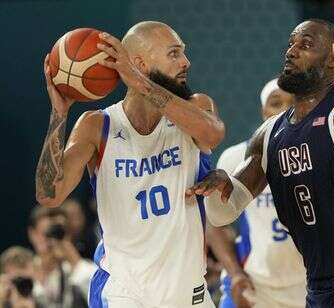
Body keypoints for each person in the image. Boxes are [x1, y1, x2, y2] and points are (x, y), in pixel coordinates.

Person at [188, 19, 334, 307]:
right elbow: (222, 214)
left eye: (304, 45)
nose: (291, 51)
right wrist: (221, 185)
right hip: (318, 284)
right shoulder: (268, 135)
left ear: (333, 62)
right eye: (291, 44)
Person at [35, 21, 225, 307]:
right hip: (122, 292)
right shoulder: (96, 125)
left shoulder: (196, 107)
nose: (186, 62)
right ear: (139, 63)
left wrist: (139, 82)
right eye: (174, 54)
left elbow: (213, 133)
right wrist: (58, 116)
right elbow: (50, 195)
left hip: (188, 292)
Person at [209, 78, 306, 308]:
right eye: (276, 103)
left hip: (310, 284)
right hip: (255, 285)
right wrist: (235, 273)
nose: (285, 109)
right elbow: (214, 224)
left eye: (293, 102)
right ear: (264, 112)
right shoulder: (236, 157)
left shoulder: (318, 156)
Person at [27, 207, 95, 308]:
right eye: (48, 233)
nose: (53, 240)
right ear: (33, 234)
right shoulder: (25, 272)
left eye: (59, 233)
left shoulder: (84, 269)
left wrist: (75, 263)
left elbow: (101, 299)